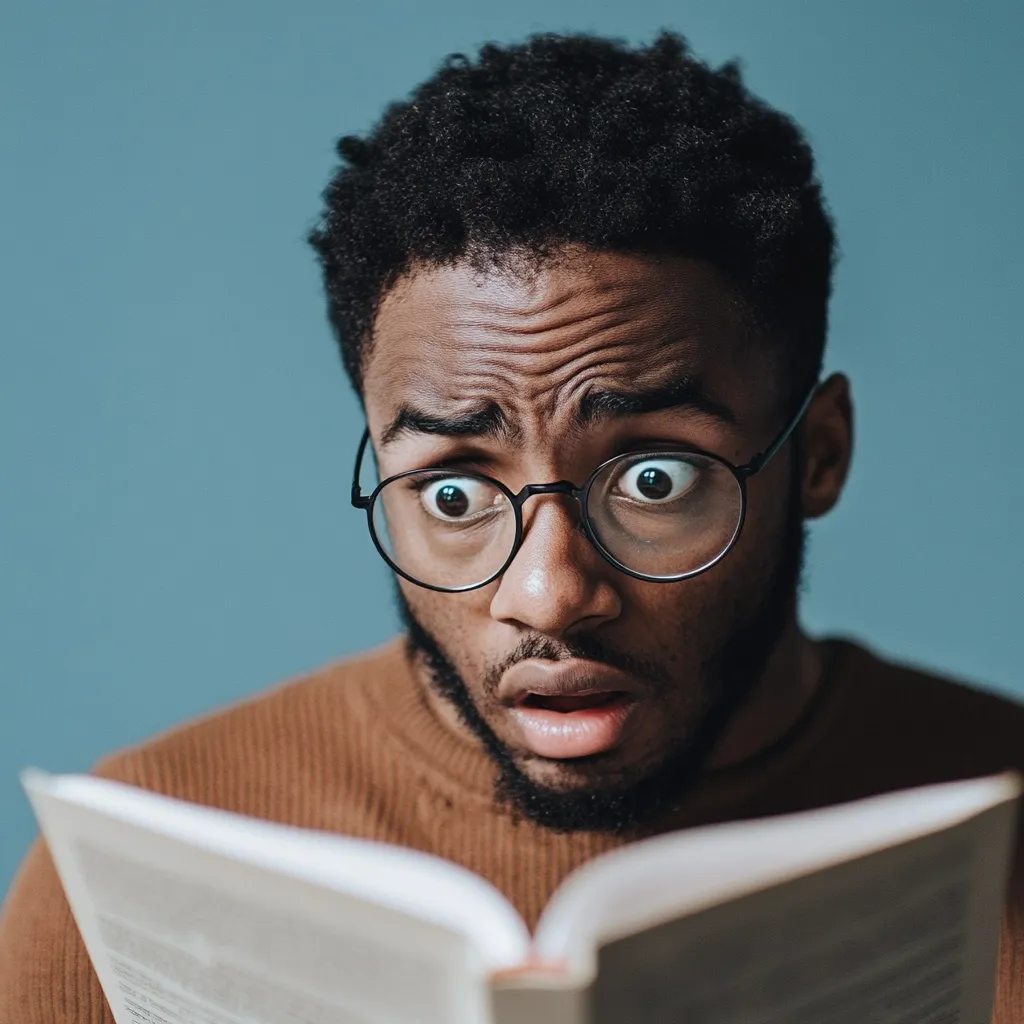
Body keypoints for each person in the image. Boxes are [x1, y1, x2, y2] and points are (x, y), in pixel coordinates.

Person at [2, 30, 1023, 1022]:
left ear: (819, 454)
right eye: (453, 491)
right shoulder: (133, 876)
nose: (547, 594)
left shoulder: (998, 809)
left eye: (654, 478)